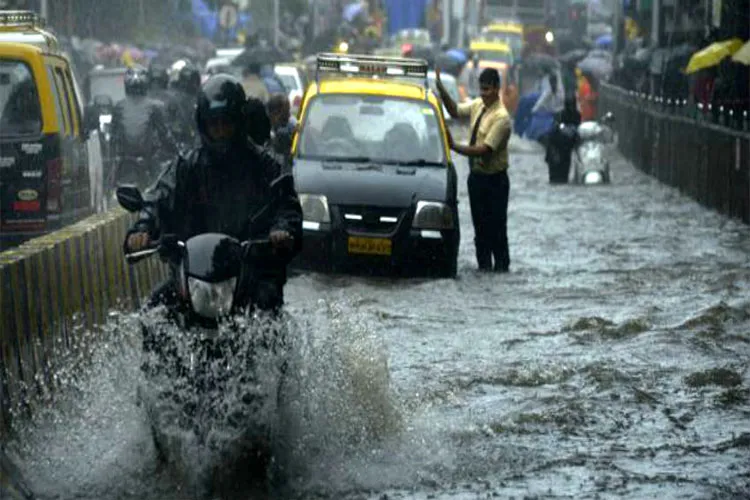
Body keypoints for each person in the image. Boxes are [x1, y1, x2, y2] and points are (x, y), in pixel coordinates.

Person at [124, 74, 303, 314]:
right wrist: (143, 228)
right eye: (213, 124)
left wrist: (281, 230)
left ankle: (275, 351)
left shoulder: (266, 166)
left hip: (250, 274)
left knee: (268, 312)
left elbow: (287, 207)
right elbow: (159, 196)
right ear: (203, 124)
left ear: (238, 122)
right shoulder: (187, 166)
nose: (220, 131)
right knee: (151, 314)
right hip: (194, 275)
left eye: (226, 123)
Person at [435, 67, 512, 273]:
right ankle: (484, 269)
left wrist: (454, 146)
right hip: (477, 179)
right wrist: (442, 91)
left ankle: (502, 270)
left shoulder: (502, 118)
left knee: (497, 230)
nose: (484, 93)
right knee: (480, 231)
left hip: (495, 181)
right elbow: (455, 111)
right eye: (482, 89)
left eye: (488, 89)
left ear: (497, 89)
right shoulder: (478, 105)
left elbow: (484, 150)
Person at [110, 65, 178, 190]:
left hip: (126, 163)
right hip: (144, 162)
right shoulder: (155, 106)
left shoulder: (119, 106)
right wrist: (177, 152)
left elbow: (113, 138)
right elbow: (165, 135)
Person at [267, 93, 297, 170]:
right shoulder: (264, 131)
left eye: (288, 112)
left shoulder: (293, 127)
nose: (288, 116)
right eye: (285, 113)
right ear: (273, 114)